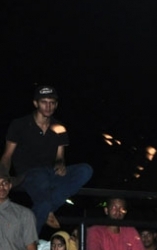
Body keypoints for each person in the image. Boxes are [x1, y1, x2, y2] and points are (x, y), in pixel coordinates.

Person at [1, 86, 93, 234]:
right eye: (44, 102)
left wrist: (60, 165)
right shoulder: (19, 125)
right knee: (41, 194)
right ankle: (29, 245)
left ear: (56, 104)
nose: (48, 106)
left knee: (85, 170)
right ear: (36, 103)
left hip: (50, 173)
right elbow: (7, 155)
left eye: (52, 102)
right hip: (29, 175)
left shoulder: (59, 127)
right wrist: (4, 176)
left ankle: (48, 209)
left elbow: (59, 157)